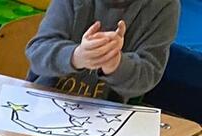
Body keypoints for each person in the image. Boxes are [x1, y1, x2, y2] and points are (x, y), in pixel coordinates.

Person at [26, 1, 181, 102]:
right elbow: (37, 52)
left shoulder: (164, 5)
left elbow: (149, 74)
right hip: (42, 104)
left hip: (106, 119)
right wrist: (76, 56)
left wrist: (115, 64)